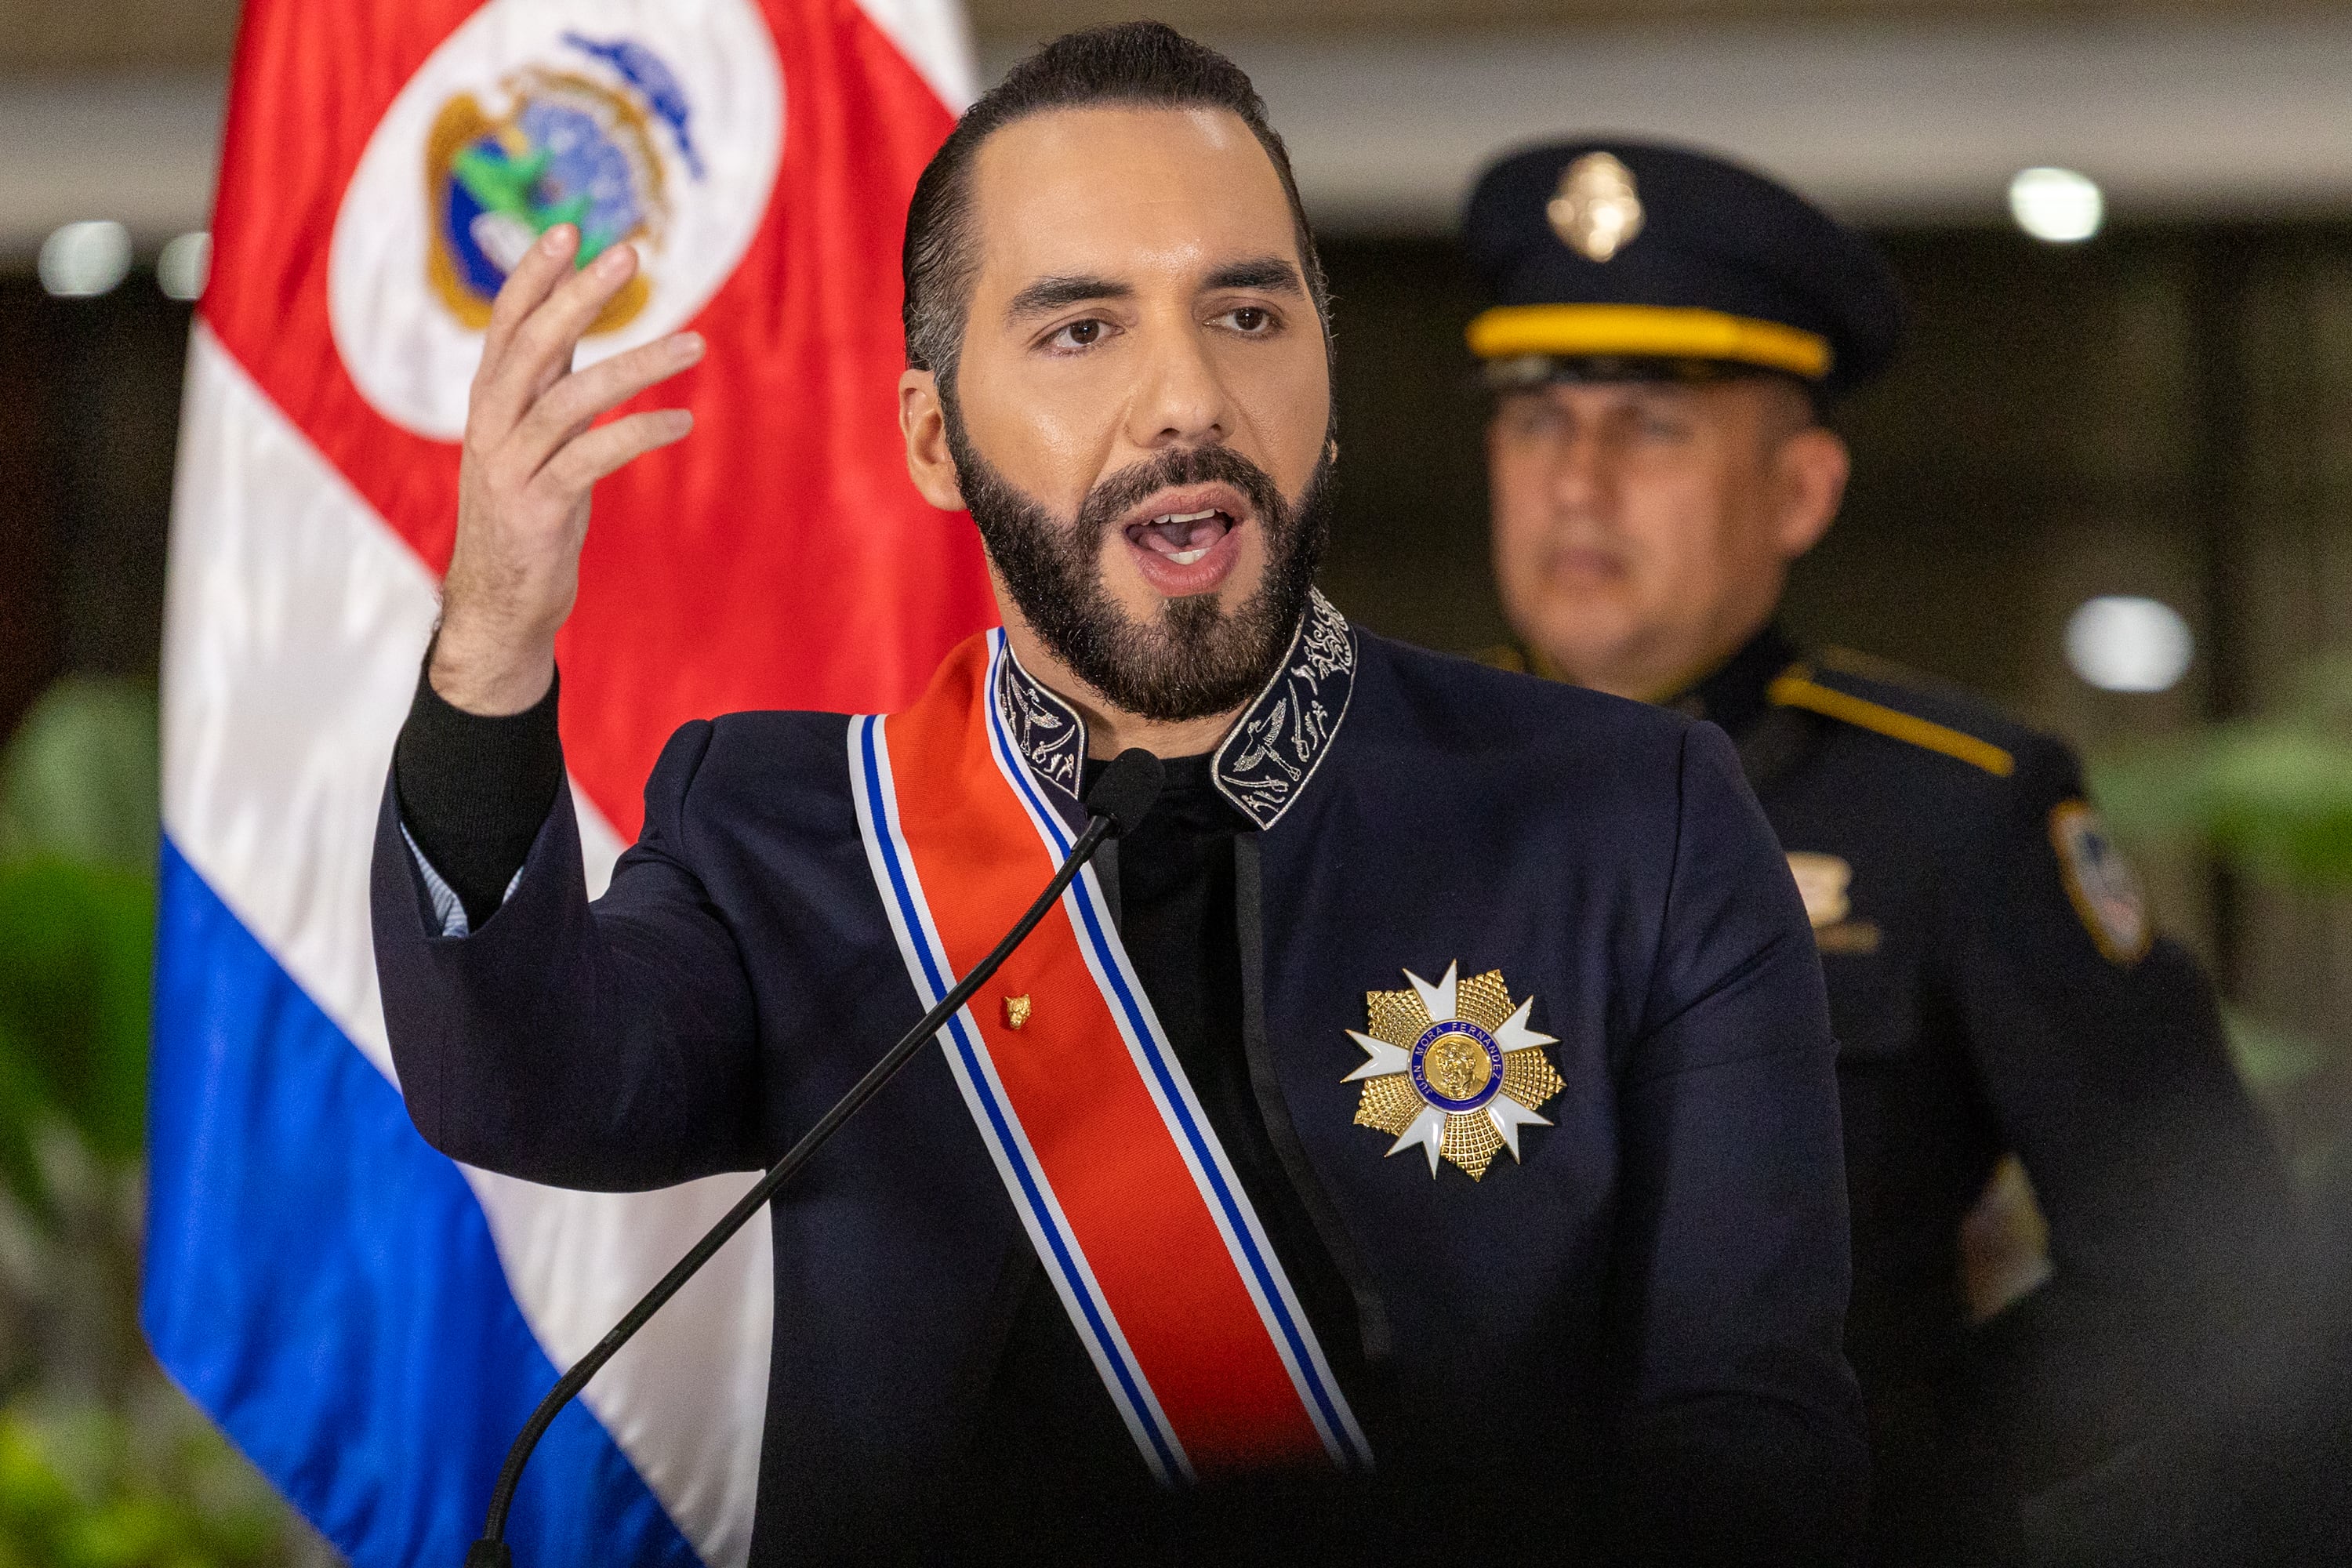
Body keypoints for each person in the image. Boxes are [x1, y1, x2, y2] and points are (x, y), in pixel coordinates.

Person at [372, 30, 1866, 1566]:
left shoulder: (1634, 819)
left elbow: (1753, 1442)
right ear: (935, 441)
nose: (1186, 397)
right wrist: (491, 640)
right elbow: (512, 1083)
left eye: (1245, 313)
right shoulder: (787, 826)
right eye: (1083, 330)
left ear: (1329, 393)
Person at [1461, 139, 2303, 1563]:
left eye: (1654, 423)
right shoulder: (1367, 791)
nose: (1578, 482)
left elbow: (2200, 1266)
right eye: (1538, 419)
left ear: (1799, 491)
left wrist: (1903, 1471)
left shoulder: (1957, 807)